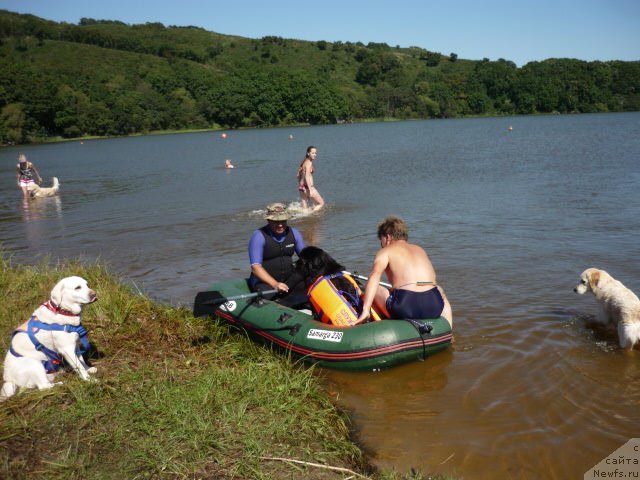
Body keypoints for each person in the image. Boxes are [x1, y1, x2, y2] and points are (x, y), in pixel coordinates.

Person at [356, 216, 453, 327]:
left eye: (381, 240)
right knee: (439, 289)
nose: (381, 244)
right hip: (433, 305)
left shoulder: (385, 251)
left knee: (375, 289)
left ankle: (377, 324)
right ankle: (448, 331)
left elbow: (374, 276)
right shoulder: (419, 249)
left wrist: (366, 309)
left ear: (387, 237)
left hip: (406, 307)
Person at [248, 202, 307, 306]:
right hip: (265, 283)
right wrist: (275, 284)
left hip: (288, 280)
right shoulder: (258, 236)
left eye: (283, 221)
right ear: (269, 220)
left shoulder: (294, 233)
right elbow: (255, 268)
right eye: (276, 221)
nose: (280, 225)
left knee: (307, 288)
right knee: (267, 297)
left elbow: (306, 258)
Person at [296, 146, 324, 212]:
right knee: (321, 203)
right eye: (313, 153)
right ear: (308, 153)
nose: (315, 155)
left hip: (301, 187)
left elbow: (297, 176)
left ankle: (306, 219)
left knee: (304, 210)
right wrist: (310, 190)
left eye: (315, 153)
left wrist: (301, 185)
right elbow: (307, 176)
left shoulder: (304, 162)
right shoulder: (309, 163)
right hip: (308, 188)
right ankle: (311, 214)